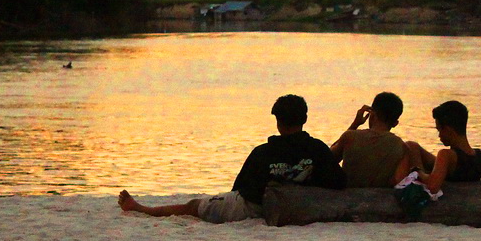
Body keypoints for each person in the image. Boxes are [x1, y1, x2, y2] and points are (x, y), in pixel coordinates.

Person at [117, 94, 344, 223]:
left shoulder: (263, 153)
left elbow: (242, 190)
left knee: (194, 206)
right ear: (305, 118)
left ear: (277, 121)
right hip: (302, 207)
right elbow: (338, 181)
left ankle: (142, 209)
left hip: (256, 210)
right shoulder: (317, 150)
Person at [330, 91, 413, 188]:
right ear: (395, 123)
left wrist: (355, 124)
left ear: (372, 115)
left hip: (347, 195)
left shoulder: (350, 137)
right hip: (379, 198)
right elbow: (399, 182)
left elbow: (329, 159)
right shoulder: (402, 147)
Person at [404, 99, 481, 194]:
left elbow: (432, 186)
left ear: (448, 130)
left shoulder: (446, 155)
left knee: (411, 152)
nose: (439, 135)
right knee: (412, 146)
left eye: (439, 130)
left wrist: (417, 171)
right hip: (458, 172)